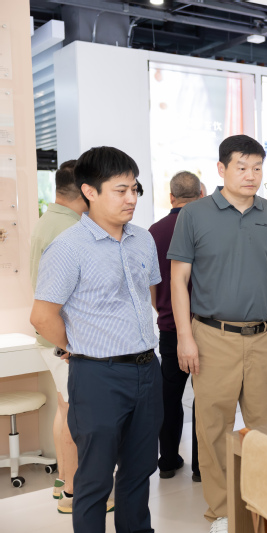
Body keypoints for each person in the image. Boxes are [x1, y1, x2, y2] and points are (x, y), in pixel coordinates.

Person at [168, 135, 267, 533]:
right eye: (242, 167)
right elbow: (178, 280)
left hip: (265, 336)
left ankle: (260, 506)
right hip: (212, 337)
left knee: (264, 429)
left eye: (257, 168)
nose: (250, 175)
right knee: (213, 429)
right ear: (221, 169)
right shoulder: (194, 215)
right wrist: (184, 337)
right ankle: (222, 511)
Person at [30, 146, 161, 532]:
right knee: (95, 478)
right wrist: (76, 346)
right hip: (98, 376)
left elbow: (147, 296)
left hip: (146, 369)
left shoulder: (143, 240)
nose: (131, 198)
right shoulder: (68, 247)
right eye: (121, 190)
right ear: (89, 191)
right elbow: (42, 316)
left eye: (135, 189)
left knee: (139, 471)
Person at [29, 160, 93, 513]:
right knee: (76, 415)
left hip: (50, 338)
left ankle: (63, 482)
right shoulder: (70, 230)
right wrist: (70, 343)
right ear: (85, 190)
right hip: (65, 341)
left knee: (64, 409)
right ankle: (73, 492)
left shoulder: (47, 220)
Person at [148, 171, 203, 482]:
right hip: (205, 326)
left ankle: (167, 461)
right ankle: (201, 467)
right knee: (204, 398)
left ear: (171, 197)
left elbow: (152, 284)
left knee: (169, 397)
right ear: (200, 196)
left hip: (169, 327)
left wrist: (162, 309)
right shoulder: (203, 226)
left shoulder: (154, 231)